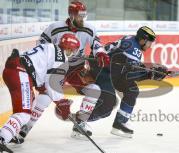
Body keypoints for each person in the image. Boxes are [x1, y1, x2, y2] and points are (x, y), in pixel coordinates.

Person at [15, 0, 109, 141]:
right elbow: (42, 45)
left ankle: (80, 124)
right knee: (46, 96)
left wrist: (100, 53)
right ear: (71, 15)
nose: (82, 19)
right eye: (79, 16)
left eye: (84, 16)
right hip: (57, 66)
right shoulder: (54, 28)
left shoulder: (89, 28)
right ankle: (26, 126)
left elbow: (96, 44)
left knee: (94, 89)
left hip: (77, 67)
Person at [0, 33, 81, 153]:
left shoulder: (50, 47)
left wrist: (51, 93)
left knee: (31, 105)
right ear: (69, 48)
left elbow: (42, 74)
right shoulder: (60, 57)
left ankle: (12, 133)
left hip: (14, 70)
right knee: (24, 113)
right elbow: (52, 82)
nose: (73, 53)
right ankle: (2, 139)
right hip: (20, 73)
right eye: (73, 50)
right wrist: (61, 102)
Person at [88, 26, 168, 138]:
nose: (150, 46)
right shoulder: (133, 49)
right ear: (143, 40)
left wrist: (148, 73)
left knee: (132, 89)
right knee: (107, 105)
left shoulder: (132, 42)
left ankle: (119, 123)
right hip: (101, 70)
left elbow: (126, 71)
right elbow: (129, 74)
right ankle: (81, 120)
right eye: (150, 43)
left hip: (110, 70)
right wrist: (150, 74)